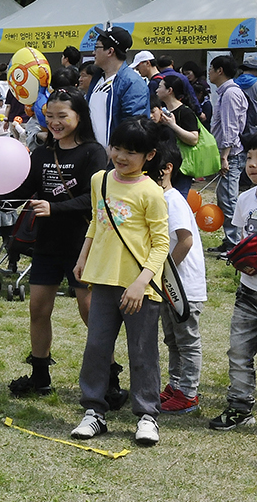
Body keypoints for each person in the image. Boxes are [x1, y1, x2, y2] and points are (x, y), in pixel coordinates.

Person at [0, 89, 108, 396]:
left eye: (63, 116)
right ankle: (40, 375)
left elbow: (96, 198)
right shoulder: (44, 153)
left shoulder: (92, 152)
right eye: (50, 116)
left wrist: (54, 207)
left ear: (79, 117)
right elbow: (23, 187)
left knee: (90, 313)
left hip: (82, 243)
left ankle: (107, 378)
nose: (55, 123)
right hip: (47, 244)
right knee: (38, 309)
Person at [70, 117, 168, 447]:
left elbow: (161, 244)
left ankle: (146, 415)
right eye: (117, 148)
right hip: (102, 281)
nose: (121, 156)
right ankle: (94, 411)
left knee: (142, 352)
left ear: (149, 156)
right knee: (97, 348)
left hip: (140, 288)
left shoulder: (152, 192)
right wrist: (83, 257)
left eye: (131, 152)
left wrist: (142, 283)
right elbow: (96, 225)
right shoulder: (100, 180)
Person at [149, 138, 206, 413]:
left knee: (186, 340)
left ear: (167, 168)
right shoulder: (159, 199)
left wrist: (165, 271)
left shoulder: (174, 201)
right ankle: (176, 385)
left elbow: (185, 241)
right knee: (171, 339)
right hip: (168, 285)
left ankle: (189, 393)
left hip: (183, 287)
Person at [211, 134, 257, 430]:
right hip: (248, 294)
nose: (253, 165)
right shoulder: (245, 198)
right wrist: (243, 260)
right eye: (251, 158)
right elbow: (241, 240)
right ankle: (240, 407)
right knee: (239, 353)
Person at [83, 26, 149, 147]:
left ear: (110, 51)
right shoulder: (97, 78)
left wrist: (116, 148)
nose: (93, 52)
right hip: (94, 156)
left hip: (116, 159)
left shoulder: (132, 82)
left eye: (97, 47)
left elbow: (135, 125)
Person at [209, 55, 247, 254]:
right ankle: (229, 240)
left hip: (231, 154)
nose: (209, 73)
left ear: (220, 71)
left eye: (211, 68)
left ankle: (235, 244)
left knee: (230, 199)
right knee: (223, 197)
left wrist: (225, 156)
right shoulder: (226, 92)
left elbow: (230, 128)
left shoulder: (230, 94)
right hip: (228, 153)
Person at [150, 73, 200, 196]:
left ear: (169, 90)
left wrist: (172, 125)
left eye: (160, 86)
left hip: (182, 168)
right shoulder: (162, 112)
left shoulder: (185, 112)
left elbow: (194, 139)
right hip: (164, 166)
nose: (157, 90)